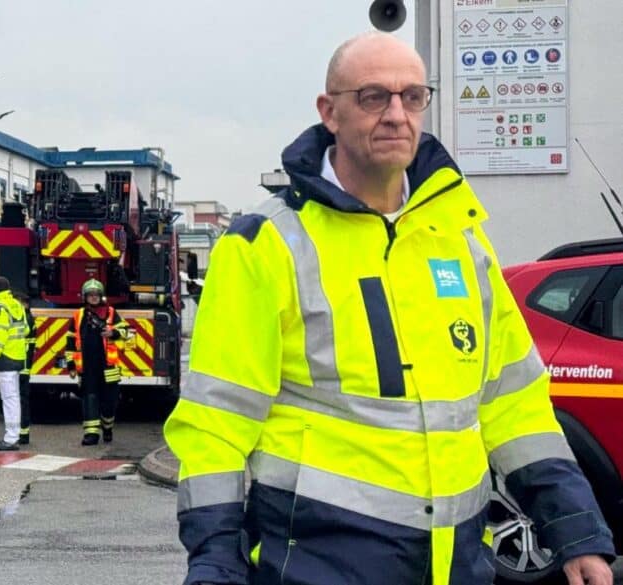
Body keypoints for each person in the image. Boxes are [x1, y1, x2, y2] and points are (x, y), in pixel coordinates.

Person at [164, 32, 615, 585]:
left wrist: (575, 531)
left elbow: (514, 407)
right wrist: (214, 561)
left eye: (412, 96)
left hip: (458, 564)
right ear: (329, 112)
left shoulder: (460, 243)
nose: (396, 114)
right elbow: (218, 424)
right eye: (373, 97)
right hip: (317, 564)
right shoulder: (267, 245)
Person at [65, 279, 129, 446]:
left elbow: (126, 331)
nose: (93, 298)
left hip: (108, 367)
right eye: (90, 295)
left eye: (96, 295)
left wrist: (113, 332)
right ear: (85, 297)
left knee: (109, 402)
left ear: (101, 296)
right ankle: (91, 434)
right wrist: (71, 365)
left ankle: (107, 427)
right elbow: (70, 341)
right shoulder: (78, 315)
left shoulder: (111, 312)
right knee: (89, 399)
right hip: (87, 367)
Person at [0, 276, 29, 452]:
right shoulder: (16, 304)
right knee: (14, 398)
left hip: (6, 357)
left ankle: (11, 439)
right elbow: (25, 329)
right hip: (18, 356)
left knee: (9, 399)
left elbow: (1, 335)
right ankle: (14, 435)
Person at [16, 291, 36, 445]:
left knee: (20, 400)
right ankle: (22, 432)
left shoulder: (26, 319)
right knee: (20, 400)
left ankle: (23, 432)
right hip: (22, 366)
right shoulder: (27, 317)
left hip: (21, 367)